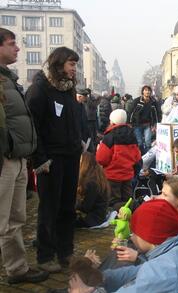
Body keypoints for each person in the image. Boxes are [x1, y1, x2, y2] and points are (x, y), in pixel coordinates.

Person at [26, 46, 83, 273]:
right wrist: (40, 160)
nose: (74, 69)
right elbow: (33, 128)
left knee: (68, 207)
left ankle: (65, 252)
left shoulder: (69, 90)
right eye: (71, 64)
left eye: (75, 64)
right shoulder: (40, 90)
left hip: (70, 157)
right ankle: (45, 255)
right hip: (50, 161)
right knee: (49, 208)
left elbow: (72, 120)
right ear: (59, 65)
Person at [0, 27, 49, 284]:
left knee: (15, 219)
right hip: (4, 161)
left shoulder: (9, 79)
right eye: (11, 44)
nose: (17, 48)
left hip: (17, 159)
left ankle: (17, 269)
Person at [101, 199, 178, 292]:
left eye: (134, 232)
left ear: (148, 237)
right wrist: (102, 277)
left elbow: (151, 276)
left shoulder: (163, 271)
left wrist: (90, 288)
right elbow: (141, 271)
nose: (131, 237)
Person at [96, 109, 141, 210]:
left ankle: (116, 221)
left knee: (113, 203)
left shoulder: (109, 137)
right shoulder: (132, 136)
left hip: (112, 176)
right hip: (128, 175)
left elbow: (101, 159)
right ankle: (130, 219)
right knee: (127, 202)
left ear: (112, 121)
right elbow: (137, 156)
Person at [75, 152, 110, 228]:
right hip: (98, 217)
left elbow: (86, 207)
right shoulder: (97, 177)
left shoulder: (91, 182)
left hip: (93, 219)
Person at [128, 85, 161, 154]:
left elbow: (157, 113)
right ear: (143, 92)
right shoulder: (137, 101)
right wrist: (129, 122)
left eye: (149, 90)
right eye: (145, 90)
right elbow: (131, 112)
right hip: (137, 124)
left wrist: (157, 124)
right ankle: (140, 156)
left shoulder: (153, 101)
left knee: (148, 142)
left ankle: (147, 157)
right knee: (139, 142)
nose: (147, 92)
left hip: (148, 124)